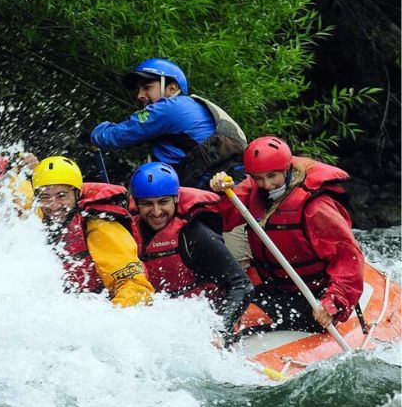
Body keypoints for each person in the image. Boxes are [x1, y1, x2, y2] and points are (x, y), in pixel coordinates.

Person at [209, 136, 364, 332]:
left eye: (272, 176)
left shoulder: (316, 207)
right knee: (229, 307)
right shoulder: (252, 191)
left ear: (287, 169)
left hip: (315, 294)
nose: (266, 185)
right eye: (258, 178)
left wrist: (333, 302)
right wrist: (221, 193)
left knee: (250, 318)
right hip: (277, 288)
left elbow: (347, 257)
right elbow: (219, 217)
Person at [129, 163, 252, 344]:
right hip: (159, 324)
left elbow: (242, 284)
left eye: (163, 202)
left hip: (203, 319)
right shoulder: (127, 232)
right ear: (136, 204)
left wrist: (220, 329)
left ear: (176, 199)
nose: (156, 212)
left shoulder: (195, 234)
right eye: (147, 204)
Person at [88, 57, 247, 189]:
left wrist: (94, 133)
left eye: (147, 87)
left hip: (219, 186)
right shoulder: (190, 106)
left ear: (171, 88)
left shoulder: (169, 108)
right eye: (138, 90)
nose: (139, 95)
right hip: (231, 183)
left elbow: (117, 136)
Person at [32, 156, 153, 308]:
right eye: (45, 196)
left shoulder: (99, 225)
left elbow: (135, 286)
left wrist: (113, 316)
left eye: (62, 195)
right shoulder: (35, 220)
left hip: (98, 308)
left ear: (77, 193)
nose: (54, 205)